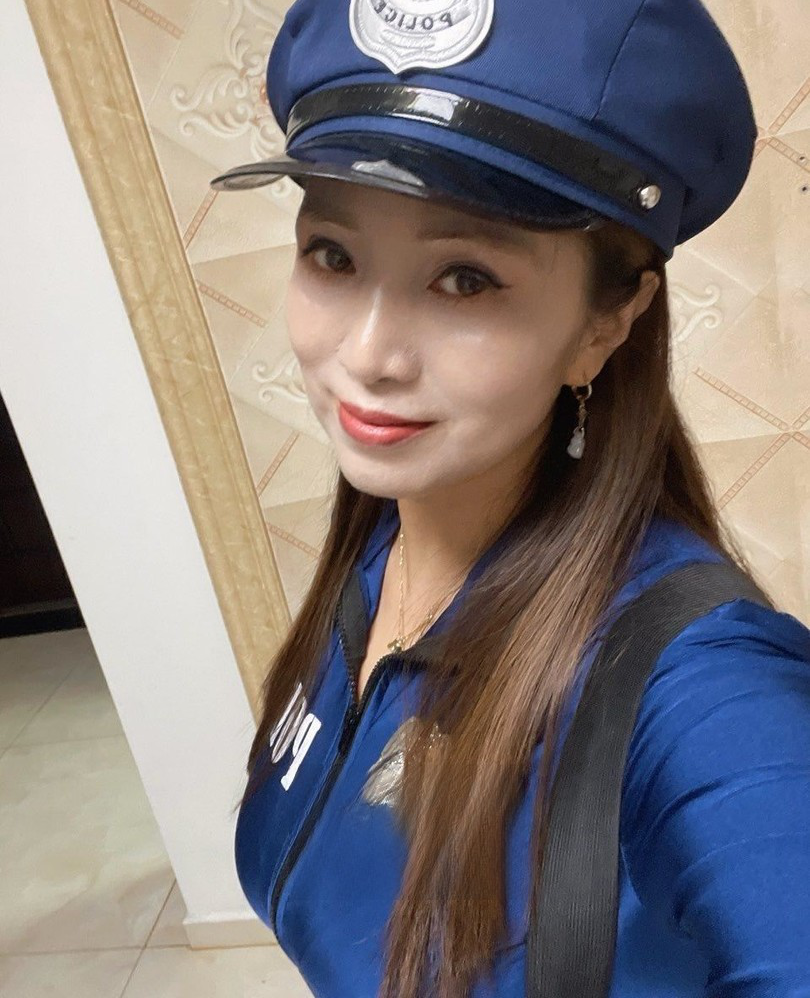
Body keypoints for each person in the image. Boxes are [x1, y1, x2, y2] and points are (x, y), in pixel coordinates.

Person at [210, 1, 810, 996]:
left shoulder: (697, 691)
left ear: (606, 324)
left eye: (465, 279)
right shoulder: (381, 554)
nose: (366, 354)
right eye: (333, 255)